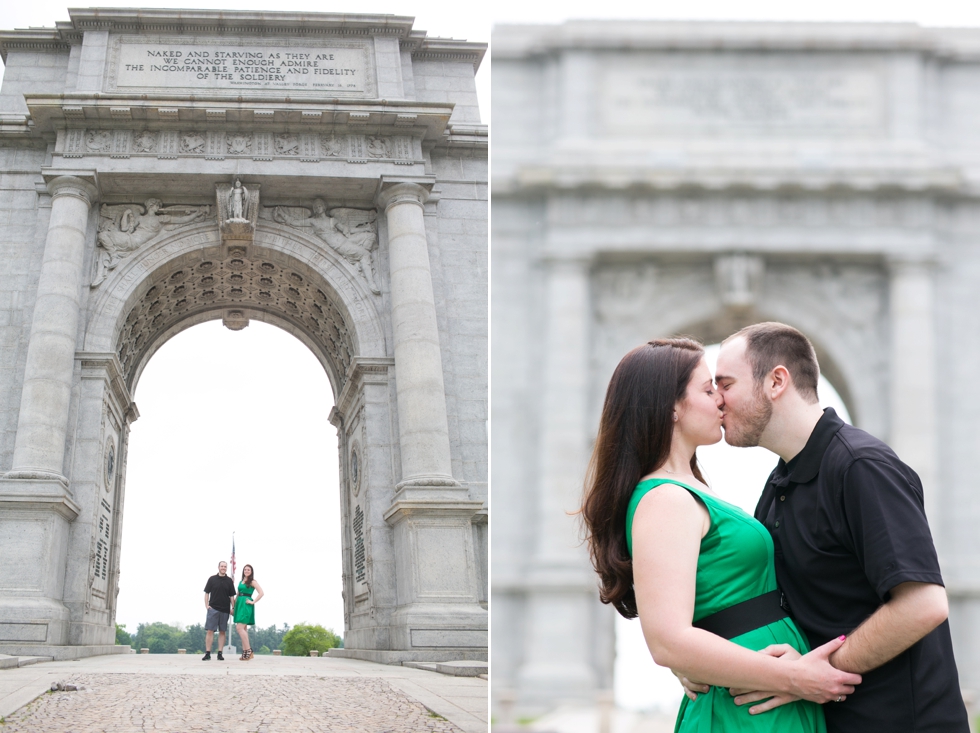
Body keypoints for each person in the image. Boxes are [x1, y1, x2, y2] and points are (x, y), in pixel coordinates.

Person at [678, 322, 968, 732]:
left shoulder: (861, 467)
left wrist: (816, 672)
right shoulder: (778, 484)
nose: (717, 401)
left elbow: (923, 604)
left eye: (725, 384)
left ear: (777, 381)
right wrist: (696, 659)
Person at [581, 338, 861, 732]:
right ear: (671, 407)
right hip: (747, 704)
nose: (721, 401)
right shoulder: (666, 499)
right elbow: (668, 641)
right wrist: (793, 677)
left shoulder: (685, 489)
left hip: (760, 694)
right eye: (708, 389)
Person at [202, 560, 236, 661]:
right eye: (222, 566)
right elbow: (206, 593)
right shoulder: (212, 579)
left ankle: (220, 653)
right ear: (218, 567)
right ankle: (207, 653)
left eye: (225, 567)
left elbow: (231, 596)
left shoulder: (229, 581)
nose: (223, 568)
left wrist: (233, 607)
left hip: (225, 609)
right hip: (213, 608)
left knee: (222, 631)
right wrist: (206, 605)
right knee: (210, 631)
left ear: (226, 568)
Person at [233, 564, 264, 661]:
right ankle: (245, 652)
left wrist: (253, 601)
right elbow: (237, 594)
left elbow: (261, 593)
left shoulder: (253, 581)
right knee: (244, 629)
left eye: (248, 570)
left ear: (251, 571)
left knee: (239, 628)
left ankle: (249, 650)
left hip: (246, 605)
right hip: (239, 605)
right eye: (245, 569)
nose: (246, 571)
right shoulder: (241, 582)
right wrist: (233, 607)